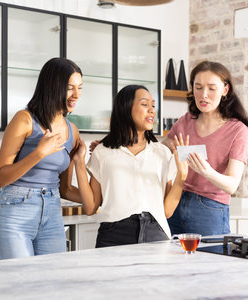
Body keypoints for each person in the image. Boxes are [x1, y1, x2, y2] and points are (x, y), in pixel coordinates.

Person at [72, 84, 189, 248]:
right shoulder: (102, 152)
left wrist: (181, 177)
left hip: (156, 234)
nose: (151, 110)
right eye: (144, 104)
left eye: (153, 106)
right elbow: (91, 207)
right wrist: (79, 163)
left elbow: (167, 211)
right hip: (113, 235)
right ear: (126, 108)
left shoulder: (162, 153)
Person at [0, 57, 84, 260]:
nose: (76, 95)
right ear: (53, 87)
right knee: (19, 283)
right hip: (16, 209)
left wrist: (103, 199)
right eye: (70, 88)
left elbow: (65, 188)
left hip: (52, 209)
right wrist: (39, 153)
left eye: (80, 88)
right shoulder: (24, 120)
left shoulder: (73, 131)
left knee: (52, 281)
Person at [162, 61, 248, 236]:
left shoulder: (237, 130)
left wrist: (207, 171)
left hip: (210, 209)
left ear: (225, 90)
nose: (203, 95)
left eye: (211, 88)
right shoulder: (186, 120)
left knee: (210, 262)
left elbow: (231, 186)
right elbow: (162, 149)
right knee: (172, 261)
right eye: (198, 87)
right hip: (174, 202)